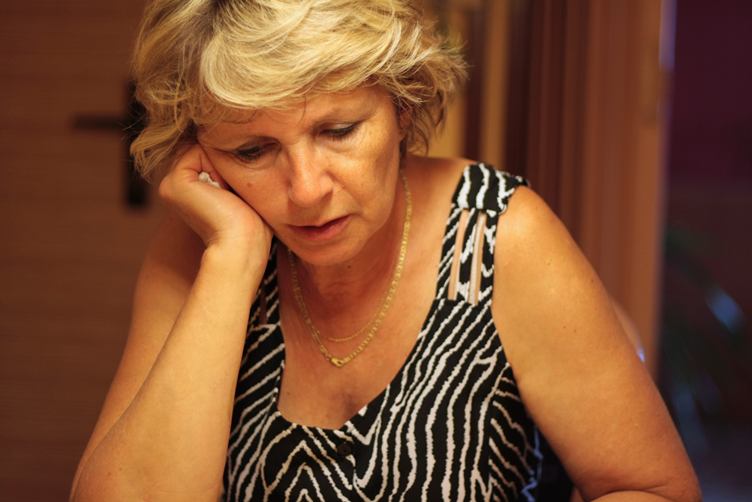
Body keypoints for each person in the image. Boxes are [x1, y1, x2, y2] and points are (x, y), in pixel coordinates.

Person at [70, 0, 700, 500]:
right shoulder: (204, 246)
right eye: (252, 151)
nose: (307, 191)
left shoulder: (497, 235)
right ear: (202, 153)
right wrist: (233, 260)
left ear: (402, 105)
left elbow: (653, 490)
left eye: (338, 130)